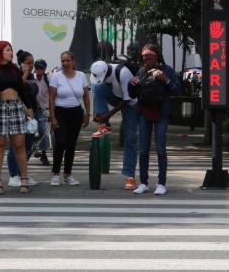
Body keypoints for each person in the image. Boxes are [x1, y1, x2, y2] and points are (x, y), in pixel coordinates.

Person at [0, 41, 34, 195]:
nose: (10, 53)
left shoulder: (15, 70)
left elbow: (22, 90)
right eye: (7, 50)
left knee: (19, 144)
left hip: (16, 107)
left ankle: (23, 178)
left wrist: (29, 107)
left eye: (11, 50)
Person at [129, 44, 180, 195]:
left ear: (157, 56)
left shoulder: (167, 70)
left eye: (150, 57)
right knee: (143, 150)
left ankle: (161, 183)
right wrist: (132, 84)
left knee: (160, 149)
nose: (147, 60)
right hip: (144, 113)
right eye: (144, 58)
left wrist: (165, 79)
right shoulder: (141, 70)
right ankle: (143, 183)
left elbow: (177, 90)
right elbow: (134, 95)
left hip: (161, 114)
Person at [89, 59, 139, 190]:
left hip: (131, 104)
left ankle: (130, 176)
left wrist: (109, 114)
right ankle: (106, 125)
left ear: (106, 72)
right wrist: (98, 113)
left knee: (130, 138)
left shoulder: (123, 73)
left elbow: (127, 100)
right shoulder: (96, 73)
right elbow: (96, 93)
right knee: (98, 88)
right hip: (117, 97)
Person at [49, 51, 90, 186]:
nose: (65, 63)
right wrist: (53, 117)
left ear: (73, 62)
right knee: (61, 142)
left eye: (67, 61)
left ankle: (67, 174)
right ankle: (55, 174)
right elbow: (51, 98)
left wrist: (87, 114)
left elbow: (85, 96)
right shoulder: (56, 77)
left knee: (71, 145)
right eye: (63, 61)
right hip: (60, 112)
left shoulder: (81, 76)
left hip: (76, 112)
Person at [6, 50, 41, 188]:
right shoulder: (14, 74)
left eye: (32, 63)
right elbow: (16, 89)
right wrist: (25, 75)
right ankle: (13, 175)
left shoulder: (32, 75)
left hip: (32, 112)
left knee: (28, 144)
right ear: (21, 63)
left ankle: (23, 173)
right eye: (28, 63)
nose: (31, 65)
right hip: (18, 113)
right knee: (15, 144)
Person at [32, 59, 51, 166]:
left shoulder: (48, 79)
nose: (39, 70)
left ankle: (43, 154)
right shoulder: (31, 79)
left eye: (41, 68)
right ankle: (27, 153)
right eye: (37, 68)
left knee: (43, 131)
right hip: (32, 109)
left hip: (44, 109)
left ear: (44, 69)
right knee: (30, 131)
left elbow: (53, 94)